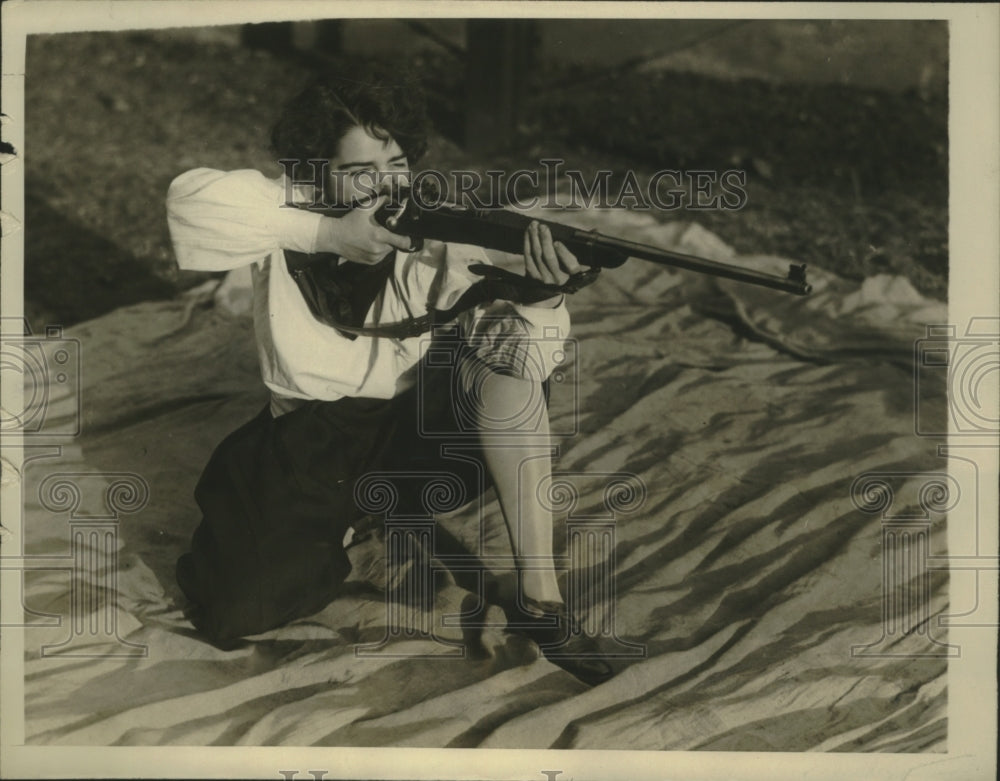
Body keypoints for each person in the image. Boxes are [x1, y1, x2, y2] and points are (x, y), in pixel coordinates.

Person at [166, 70, 612, 685]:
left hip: (414, 435)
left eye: (397, 162)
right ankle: (349, 521)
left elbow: (523, 370)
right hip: (312, 442)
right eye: (359, 169)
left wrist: (543, 297)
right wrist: (327, 232)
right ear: (316, 170)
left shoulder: (434, 235)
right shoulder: (282, 208)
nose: (385, 185)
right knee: (234, 610)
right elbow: (188, 199)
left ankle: (541, 596)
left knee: (503, 369)